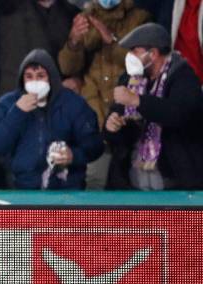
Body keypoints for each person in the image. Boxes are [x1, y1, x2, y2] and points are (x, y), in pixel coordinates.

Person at [58, 0, 150, 190]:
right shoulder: (85, 18)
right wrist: (74, 41)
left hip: (128, 116)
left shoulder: (140, 18)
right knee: (94, 184)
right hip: (95, 113)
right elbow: (68, 68)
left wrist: (111, 41)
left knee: (131, 184)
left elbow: (145, 63)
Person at [104, 23, 203, 189]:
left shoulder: (183, 77)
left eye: (135, 51)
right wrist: (112, 126)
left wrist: (138, 101)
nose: (129, 56)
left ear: (153, 54)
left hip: (173, 181)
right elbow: (118, 133)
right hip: (132, 180)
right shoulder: (129, 79)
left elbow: (179, 114)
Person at [0, 49, 103, 189]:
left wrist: (73, 155)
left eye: (41, 76)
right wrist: (17, 112)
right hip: (24, 187)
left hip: (67, 189)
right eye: (29, 77)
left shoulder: (73, 103)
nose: (35, 82)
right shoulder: (9, 103)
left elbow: (95, 146)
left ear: (51, 78)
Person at [0, 0, 80, 97]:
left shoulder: (72, 14)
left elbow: (79, 68)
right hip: (16, 98)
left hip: (57, 100)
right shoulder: (10, 7)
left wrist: (78, 80)